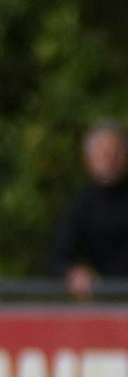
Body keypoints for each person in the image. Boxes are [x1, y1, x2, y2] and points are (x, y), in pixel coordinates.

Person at [48, 120, 128, 299]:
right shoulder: (81, 206)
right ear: (88, 159)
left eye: (114, 153)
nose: (109, 161)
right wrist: (74, 273)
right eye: (101, 154)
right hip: (106, 306)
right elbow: (59, 257)